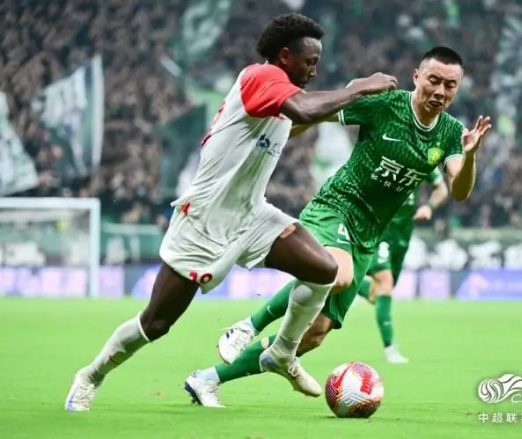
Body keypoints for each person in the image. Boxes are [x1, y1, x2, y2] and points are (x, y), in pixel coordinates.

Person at [64, 13, 397, 412]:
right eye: (309, 62)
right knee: (156, 324)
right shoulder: (261, 76)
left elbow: (299, 119)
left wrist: (347, 106)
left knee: (324, 270)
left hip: (252, 215)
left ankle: (282, 353)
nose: (314, 71)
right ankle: (91, 375)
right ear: (285, 56)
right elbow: (305, 111)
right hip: (204, 222)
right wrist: (357, 89)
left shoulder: (280, 97)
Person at [190, 46, 491, 406]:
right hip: (337, 206)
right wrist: (277, 134)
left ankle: (208, 379)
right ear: (416, 76)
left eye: (450, 85)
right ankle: (248, 325)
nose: (440, 91)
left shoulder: (451, 132)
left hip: (369, 234)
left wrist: (470, 155)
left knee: (314, 333)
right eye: (434, 80)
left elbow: (460, 191)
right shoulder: (386, 104)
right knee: (339, 274)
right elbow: (321, 113)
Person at [355, 171, 449, 364]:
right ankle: (390, 349)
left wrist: (429, 207)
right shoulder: (379, 158)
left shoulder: (423, 160)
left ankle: (346, 282)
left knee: (379, 293)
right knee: (385, 281)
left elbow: (442, 189)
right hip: (377, 230)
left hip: (402, 234)